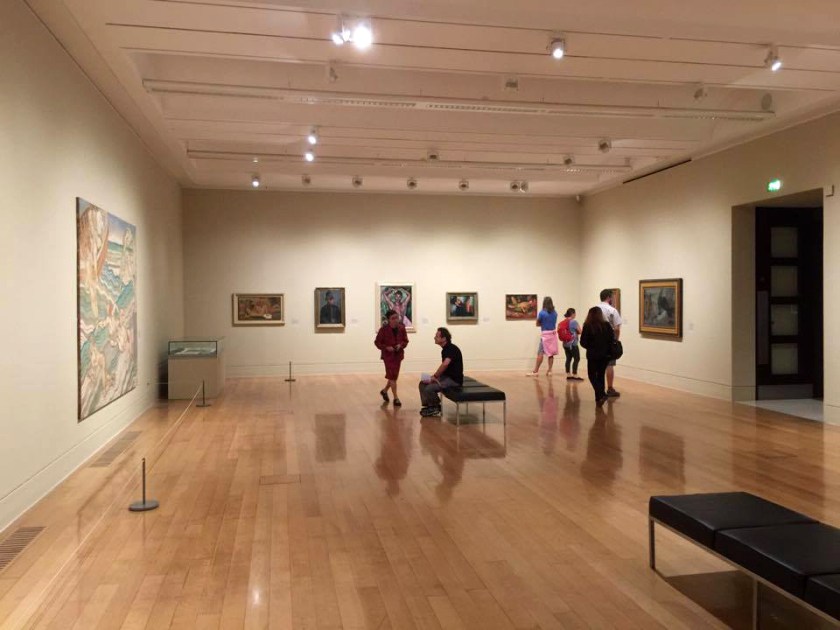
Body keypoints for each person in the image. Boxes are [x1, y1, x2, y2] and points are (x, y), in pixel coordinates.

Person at [419, 327, 463, 417]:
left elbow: (445, 364)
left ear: (444, 339)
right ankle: (430, 406)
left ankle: (436, 408)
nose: (434, 337)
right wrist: (435, 377)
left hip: (453, 380)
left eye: (437, 336)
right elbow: (445, 367)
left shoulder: (451, 349)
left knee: (429, 388)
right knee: (422, 382)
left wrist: (434, 376)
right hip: (445, 377)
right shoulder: (445, 349)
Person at [580, 306, 616, 407]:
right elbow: (611, 339)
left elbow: (583, 342)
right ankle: (598, 399)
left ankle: (601, 394)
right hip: (605, 355)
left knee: (592, 375)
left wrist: (590, 347)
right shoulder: (607, 325)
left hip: (593, 355)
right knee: (600, 375)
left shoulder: (588, 325)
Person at [374, 309, 409, 406]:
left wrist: (400, 345)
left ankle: (384, 391)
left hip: (398, 356)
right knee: (392, 376)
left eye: (397, 317)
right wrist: (386, 347)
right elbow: (377, 343)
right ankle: (396, 398)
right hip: (388, 357)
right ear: (388, 320)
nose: (396, 320)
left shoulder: (402, 328)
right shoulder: (383, 330)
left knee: (393, 376)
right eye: (393, 318)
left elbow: (405, 341)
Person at [597, 289, 624, 397]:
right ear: (608, 298)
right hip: (608, 338)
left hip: (596, 339)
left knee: (598, 365)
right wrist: (616, 340)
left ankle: (599, 388)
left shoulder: (594, 309)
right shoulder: (612, 310)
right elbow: (617, 328)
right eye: (612, 297)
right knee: (609, 364)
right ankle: (610, 388)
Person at [526, 296, 559, 376]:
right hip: (553, 334)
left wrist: (543, 323)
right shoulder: (555, 313)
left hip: (545, 335)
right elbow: (553, 323)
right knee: (551, 354)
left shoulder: (542, 313)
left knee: (540, 353)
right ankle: (550, 371)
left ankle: (535, 371)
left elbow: (537, 324)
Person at [559, 307, 583, 380]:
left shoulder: (563, 322)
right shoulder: (573, 322)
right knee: (577, 358)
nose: (575, 315)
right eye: (575, 313)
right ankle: (575, 374)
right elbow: (580, 331)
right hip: (573, 344)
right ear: (572, 314)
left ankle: (568, 374)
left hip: (565, 344)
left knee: (568, 358)